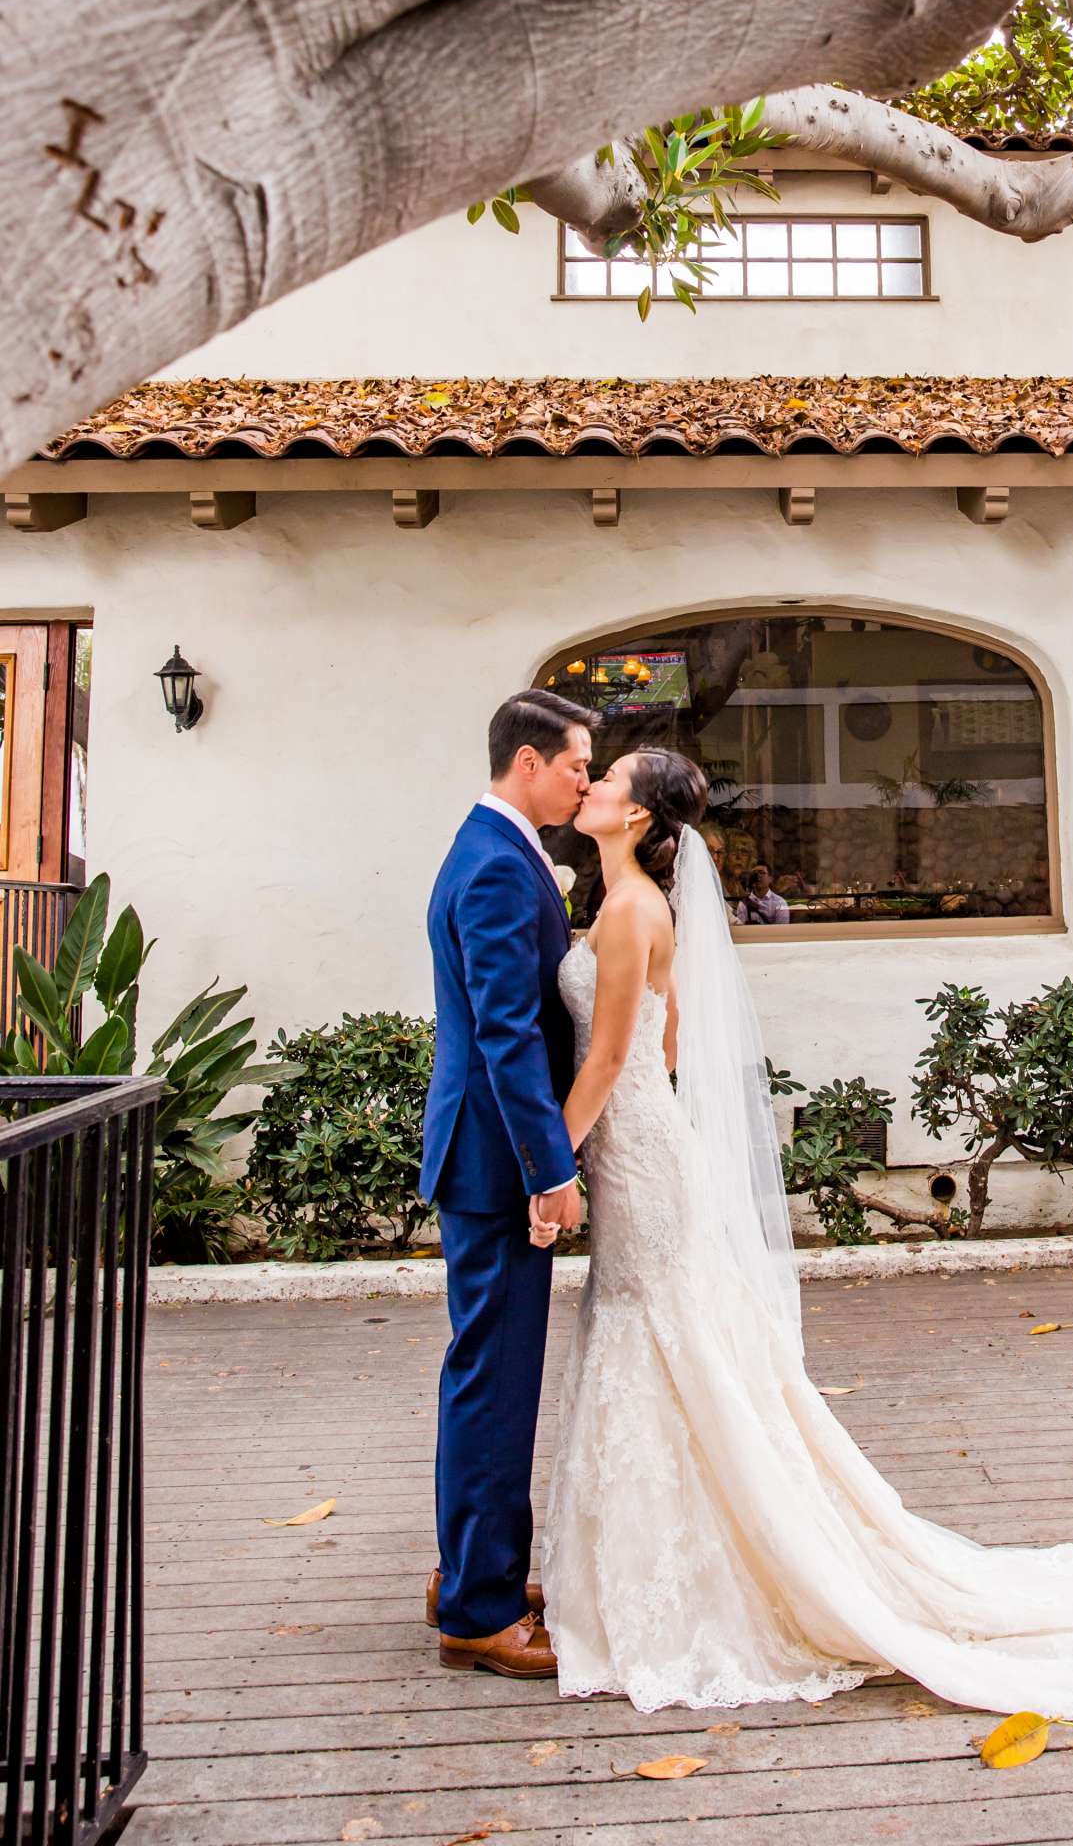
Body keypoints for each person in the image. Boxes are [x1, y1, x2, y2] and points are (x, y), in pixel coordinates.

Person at [530, 746, 1073, 1716]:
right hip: (646, 1141)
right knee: (663, 1337)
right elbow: (659, 1046)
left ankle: (690, 1573)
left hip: (638, 1153)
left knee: (657, 1333)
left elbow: (619, 1051)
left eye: (610, 779)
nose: (593, 788)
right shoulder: (624, 904)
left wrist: (552, 1167)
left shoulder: (627, 911)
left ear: (637, 816)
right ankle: (650, 1561)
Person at [420, 688, 592, 1679]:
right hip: (495, 1167)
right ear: (527, 763)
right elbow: (505, 1031)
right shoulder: (493, 865)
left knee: (482, 1375)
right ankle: (480, 1612)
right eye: (574, 764)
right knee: (495, 1383)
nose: (582, 779)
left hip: (484, 1158)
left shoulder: (499, 848)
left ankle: (470, 1570)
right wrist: (549, 1169)